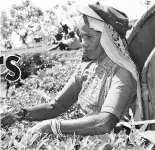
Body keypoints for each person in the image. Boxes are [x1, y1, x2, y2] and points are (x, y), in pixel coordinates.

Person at [1, 3, 142, 136]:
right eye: (81, 37)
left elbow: (105, 122)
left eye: (89, 37)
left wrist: (53, 126)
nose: (83, 43)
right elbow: (56, 106)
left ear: (109, 38)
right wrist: (19, 114)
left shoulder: (122, 71)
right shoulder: (87, 67)